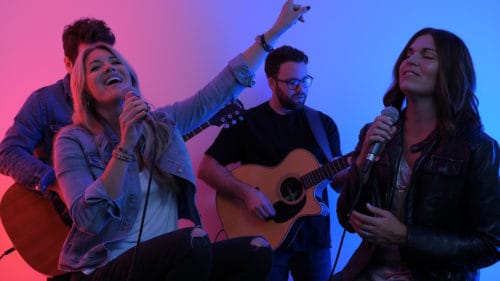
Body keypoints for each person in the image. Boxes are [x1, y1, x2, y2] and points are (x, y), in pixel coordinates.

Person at [52, 1, 311, 280]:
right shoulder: (72, 140)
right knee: (194, 242)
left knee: (258, 249)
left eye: (115, 62)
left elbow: (220, 90)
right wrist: (125, 146)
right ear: (84, 89)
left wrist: (274, 32)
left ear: (129, 77)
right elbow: (87, 218)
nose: (109, 68)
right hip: (105, 268)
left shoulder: (162, 124)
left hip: (166, 258)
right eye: (95, 67)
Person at [334, 28, 500, 281]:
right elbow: (347, 220)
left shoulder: (477, 148)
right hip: (368, 274)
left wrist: (405, 235)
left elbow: (490, 245)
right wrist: (361, 161)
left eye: (427, 56)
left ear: (450, 72)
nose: (410, 61)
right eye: (408, 54)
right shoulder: (377, 134)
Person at [198, 45, 347, 281]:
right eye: (292, 82)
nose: (301, 89)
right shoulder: (247, 122)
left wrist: (361, 162)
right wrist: (246, 194)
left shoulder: (322, 124)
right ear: (271, 82)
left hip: (313, 240)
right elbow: (207, 167)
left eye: (305, 80)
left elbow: (339, 183)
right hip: (263, 236)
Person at [0, 18, 116, 281]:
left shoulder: (118, 103)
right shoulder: (44, 102)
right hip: (62, 237)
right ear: (68, 64)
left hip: (108, 236)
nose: (102, 70)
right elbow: (7, 152)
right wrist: (56, 182)